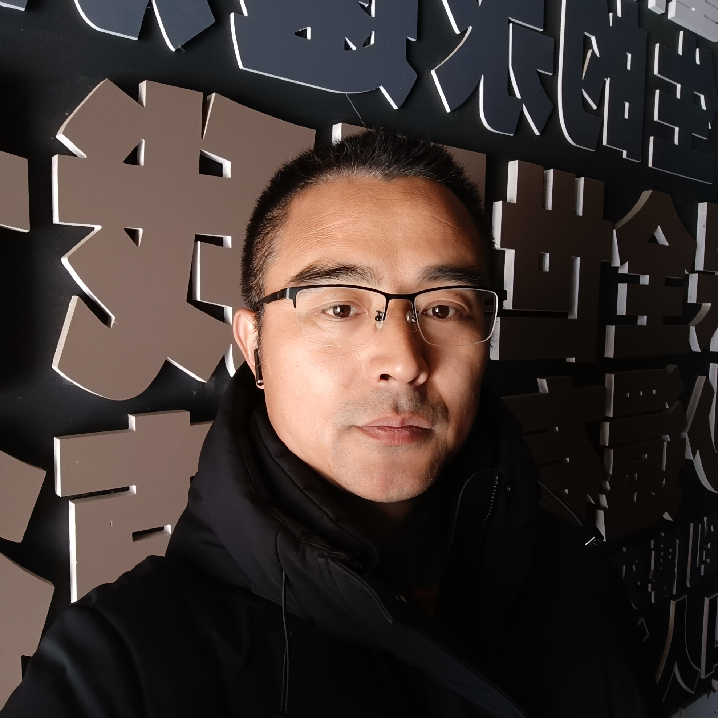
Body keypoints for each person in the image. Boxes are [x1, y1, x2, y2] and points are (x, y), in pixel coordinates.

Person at [3, 131, 662, 718]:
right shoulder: (124, 667)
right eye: (340, 308)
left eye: (443, 308)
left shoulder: (575, 577)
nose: (404, 361)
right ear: (253, 345)